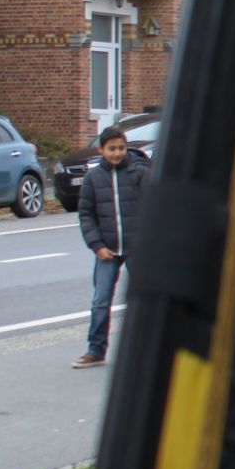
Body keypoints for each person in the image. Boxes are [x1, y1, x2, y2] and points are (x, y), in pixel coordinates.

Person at [74, 126, 149, 368]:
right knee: (101, 300)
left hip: (137, 248)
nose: (117, 153)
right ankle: (96, 350)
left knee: (145, 299)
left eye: (121, 148)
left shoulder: (139, 173)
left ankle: (151, 349)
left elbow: (153, 205)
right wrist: (96, 246)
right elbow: (86, 215)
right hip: (106, 250)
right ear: (101, 150)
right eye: (111, 149)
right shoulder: (93, 178)